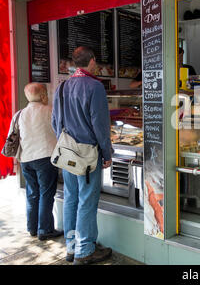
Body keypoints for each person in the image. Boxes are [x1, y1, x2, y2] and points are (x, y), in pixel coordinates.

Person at [52, 46, 113, 265]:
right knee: (87, 200)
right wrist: (107, 153)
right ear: (92, 61)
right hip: (88, 155)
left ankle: (71, 247)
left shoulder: (62, 87)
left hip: (67, 154)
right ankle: (85, 251)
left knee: (71, 198)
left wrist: (67, 144)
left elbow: (54, 123)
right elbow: (100, 125)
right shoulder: (95, 86)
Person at [6, 83, 63, 241]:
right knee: (46, 194)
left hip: (26, 159)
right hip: (45, 158)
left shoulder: (19, 114)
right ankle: (44, 229)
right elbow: (61, 131)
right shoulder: (51, 110)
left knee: (32, 194)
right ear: (43, 93)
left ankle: (32, 227)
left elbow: (12, 135)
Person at [129, 47, 196, 88]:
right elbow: (132, 85)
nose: (180, 59)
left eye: (181, 56)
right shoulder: (159, 69)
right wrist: (146, 81)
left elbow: (197, 84)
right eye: (178, 57)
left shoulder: (189, 68)